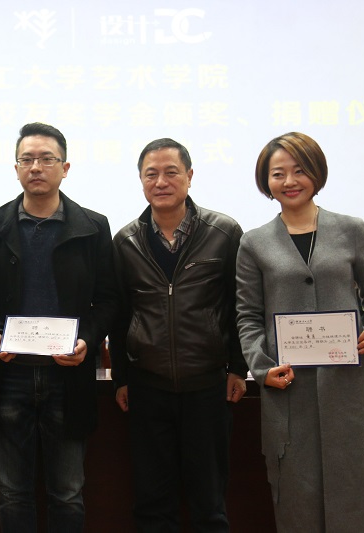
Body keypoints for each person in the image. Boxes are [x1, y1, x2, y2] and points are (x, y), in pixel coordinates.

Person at [235, 132, 364, 532]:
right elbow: (248, 316)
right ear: (266, 180)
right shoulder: (253, 243)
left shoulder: (351, 229)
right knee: (296, 496)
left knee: (356, 491)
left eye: (299, 170)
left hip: (347, 388)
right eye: (278, 173)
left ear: (316, 173)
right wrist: (261, 368)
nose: (289, 181)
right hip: (288, 388)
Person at [0, 122, 117, 532]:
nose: (36, 167)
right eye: (27, 159)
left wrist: (88, 339)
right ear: (16, 168)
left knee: (68, 492)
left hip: (67, 376)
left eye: (46, 159)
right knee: (11, 491)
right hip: (9, 374)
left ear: (65, 167)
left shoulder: (92, 226)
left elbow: (109, 298)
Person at [110, 138, 247, 532]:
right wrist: (121, 378)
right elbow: (120, 315)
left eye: (171, 172)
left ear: (189, 176)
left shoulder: (223, 232)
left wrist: (238, 368)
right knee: (152, 503)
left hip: (207, 386)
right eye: (151, 174)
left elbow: (239, 306)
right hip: (147, 387)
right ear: (140, 181)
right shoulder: (126, 241)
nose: (161, 182)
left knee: (209, 502)